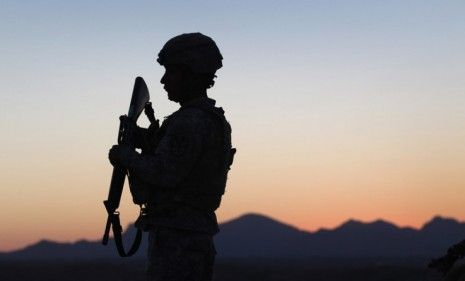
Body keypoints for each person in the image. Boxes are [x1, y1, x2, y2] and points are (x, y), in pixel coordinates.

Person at [108, 32, 235, 281]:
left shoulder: (190, 121)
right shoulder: (205, 118)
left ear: (191, 73)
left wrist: (127, 156)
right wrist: (139, 138)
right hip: (187, 233)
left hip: (179, 238)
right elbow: (178, 156)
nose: (164, 80)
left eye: (171, 72)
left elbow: (165, 172)